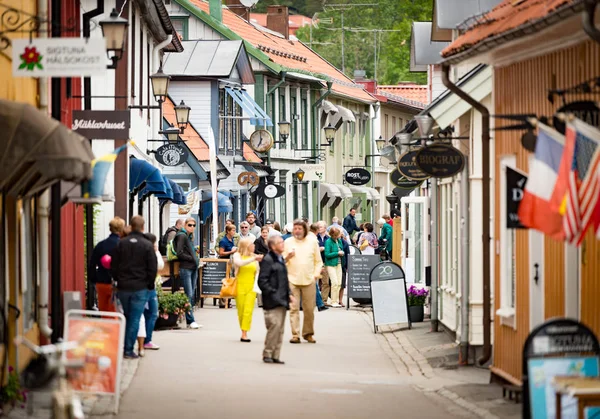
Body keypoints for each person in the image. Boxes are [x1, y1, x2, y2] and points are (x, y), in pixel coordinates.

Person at [111, 216, 157, 359]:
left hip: (124, 287)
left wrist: (117, 280)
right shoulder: (147, 245)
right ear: (143, 227)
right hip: (140, 287)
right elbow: (152, 267)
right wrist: (149, 284)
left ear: (131, 226)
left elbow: (114, 265)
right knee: (135, 318)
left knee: (126, 316)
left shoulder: (121, 243)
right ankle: (128, 349)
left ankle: (126, 347)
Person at [284, 220, 322, 344]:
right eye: (295, 228)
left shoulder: (312, 242)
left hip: (309, 279)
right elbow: (281, 260)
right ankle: (295, 334)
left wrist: (315, 275)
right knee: (293, 308)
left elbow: (318, 261)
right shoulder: (288, 242)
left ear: (305, 229)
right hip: (292, 279)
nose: (297, 231)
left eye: (300, 228)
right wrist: (288, 257)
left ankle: (308, 333)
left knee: (309, 309)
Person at [258, 235, 293, 364]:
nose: (283, 244)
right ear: (273, 246)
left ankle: (276, 355)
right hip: (272, 300)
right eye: (280, 243)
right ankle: (267, 353)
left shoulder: (280, 259)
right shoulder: (268, 260)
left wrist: (289, 293)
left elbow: (284, 279)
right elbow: (262, 281)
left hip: (282, 299)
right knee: (274, 326)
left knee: (280, 329)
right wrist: (273, 293)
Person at [88, 217, 125, 312]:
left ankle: (104, 326)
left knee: (103, 310)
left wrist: (94, 279)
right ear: (122, 229)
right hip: (118, 283)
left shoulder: (101, 245)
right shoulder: (122, 245)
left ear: (110, 229)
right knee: (115, 311)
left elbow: (92, 264)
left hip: (101, 282)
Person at [232, 238, 264, 342]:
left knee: (248, 310)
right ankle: (243, 329)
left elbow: (257, 271)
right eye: (252, 244)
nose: (254, 246)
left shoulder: (254, 256)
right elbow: (239, 263)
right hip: (240, 284)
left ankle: (244, 332)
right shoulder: (237, 255)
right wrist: (253, 259)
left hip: (251, 286)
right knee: (241, 309)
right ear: (246, 246)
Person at [174, 217, 202, 329]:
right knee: (188, 294)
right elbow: (179, 253)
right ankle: (190, 320)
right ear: (185, 225)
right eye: (190, 225)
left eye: (194, 225)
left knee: (191, 294)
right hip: (186, 267)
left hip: (192, 267)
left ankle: (191, 320)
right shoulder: (182, 235)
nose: (192, 227)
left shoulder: (188, 237)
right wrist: (191, 258)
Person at [141, 233, 163, 353]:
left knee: (147, 314)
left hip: (147, 286)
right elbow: (159, 265)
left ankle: (143, 340)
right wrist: (156, 252)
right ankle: (145, 340)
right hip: (148, 287)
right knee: (151, 313)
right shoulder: (149, 253)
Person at [324, 227, 344, 308]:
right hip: (330, 264)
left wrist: (342, 252)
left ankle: (335, 300)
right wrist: (337, 253)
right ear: (333, 235)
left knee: (339, 283)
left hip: (339, 264)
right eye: (337, 235)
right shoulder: (328, 242)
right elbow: (327, 254)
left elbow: (342, 249)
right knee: (334, 282)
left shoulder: (339, 241)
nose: (339, 236)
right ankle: (333, 301)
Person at [316, 221, 330, 306]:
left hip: (325, 261)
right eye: (318, 227)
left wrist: (325, 248)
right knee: (314, 282)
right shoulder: (314, 238)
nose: (319, 228)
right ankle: (315, 300)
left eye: (321, 227)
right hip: (316, 262)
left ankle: (324, 300)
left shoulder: (328, 238)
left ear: (325, 228)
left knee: (326, 282)